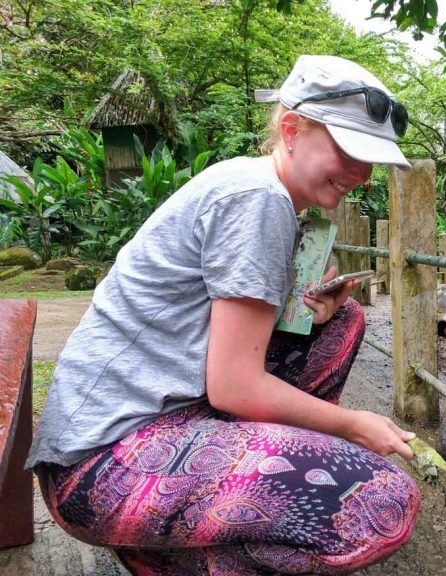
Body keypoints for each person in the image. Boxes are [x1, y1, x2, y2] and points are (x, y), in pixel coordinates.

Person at [26, 54, 421, 576]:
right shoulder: (258, 199)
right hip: (98, 466)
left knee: (343, 325)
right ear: (291, 129)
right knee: (382, 501)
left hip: (154, 424)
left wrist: (312, 313)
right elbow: (235, 387)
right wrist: (354, 426)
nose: (362, 174)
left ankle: (178, 533)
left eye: (370, 159)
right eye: (349, 149)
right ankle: (171, 555)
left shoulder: (262, 191)